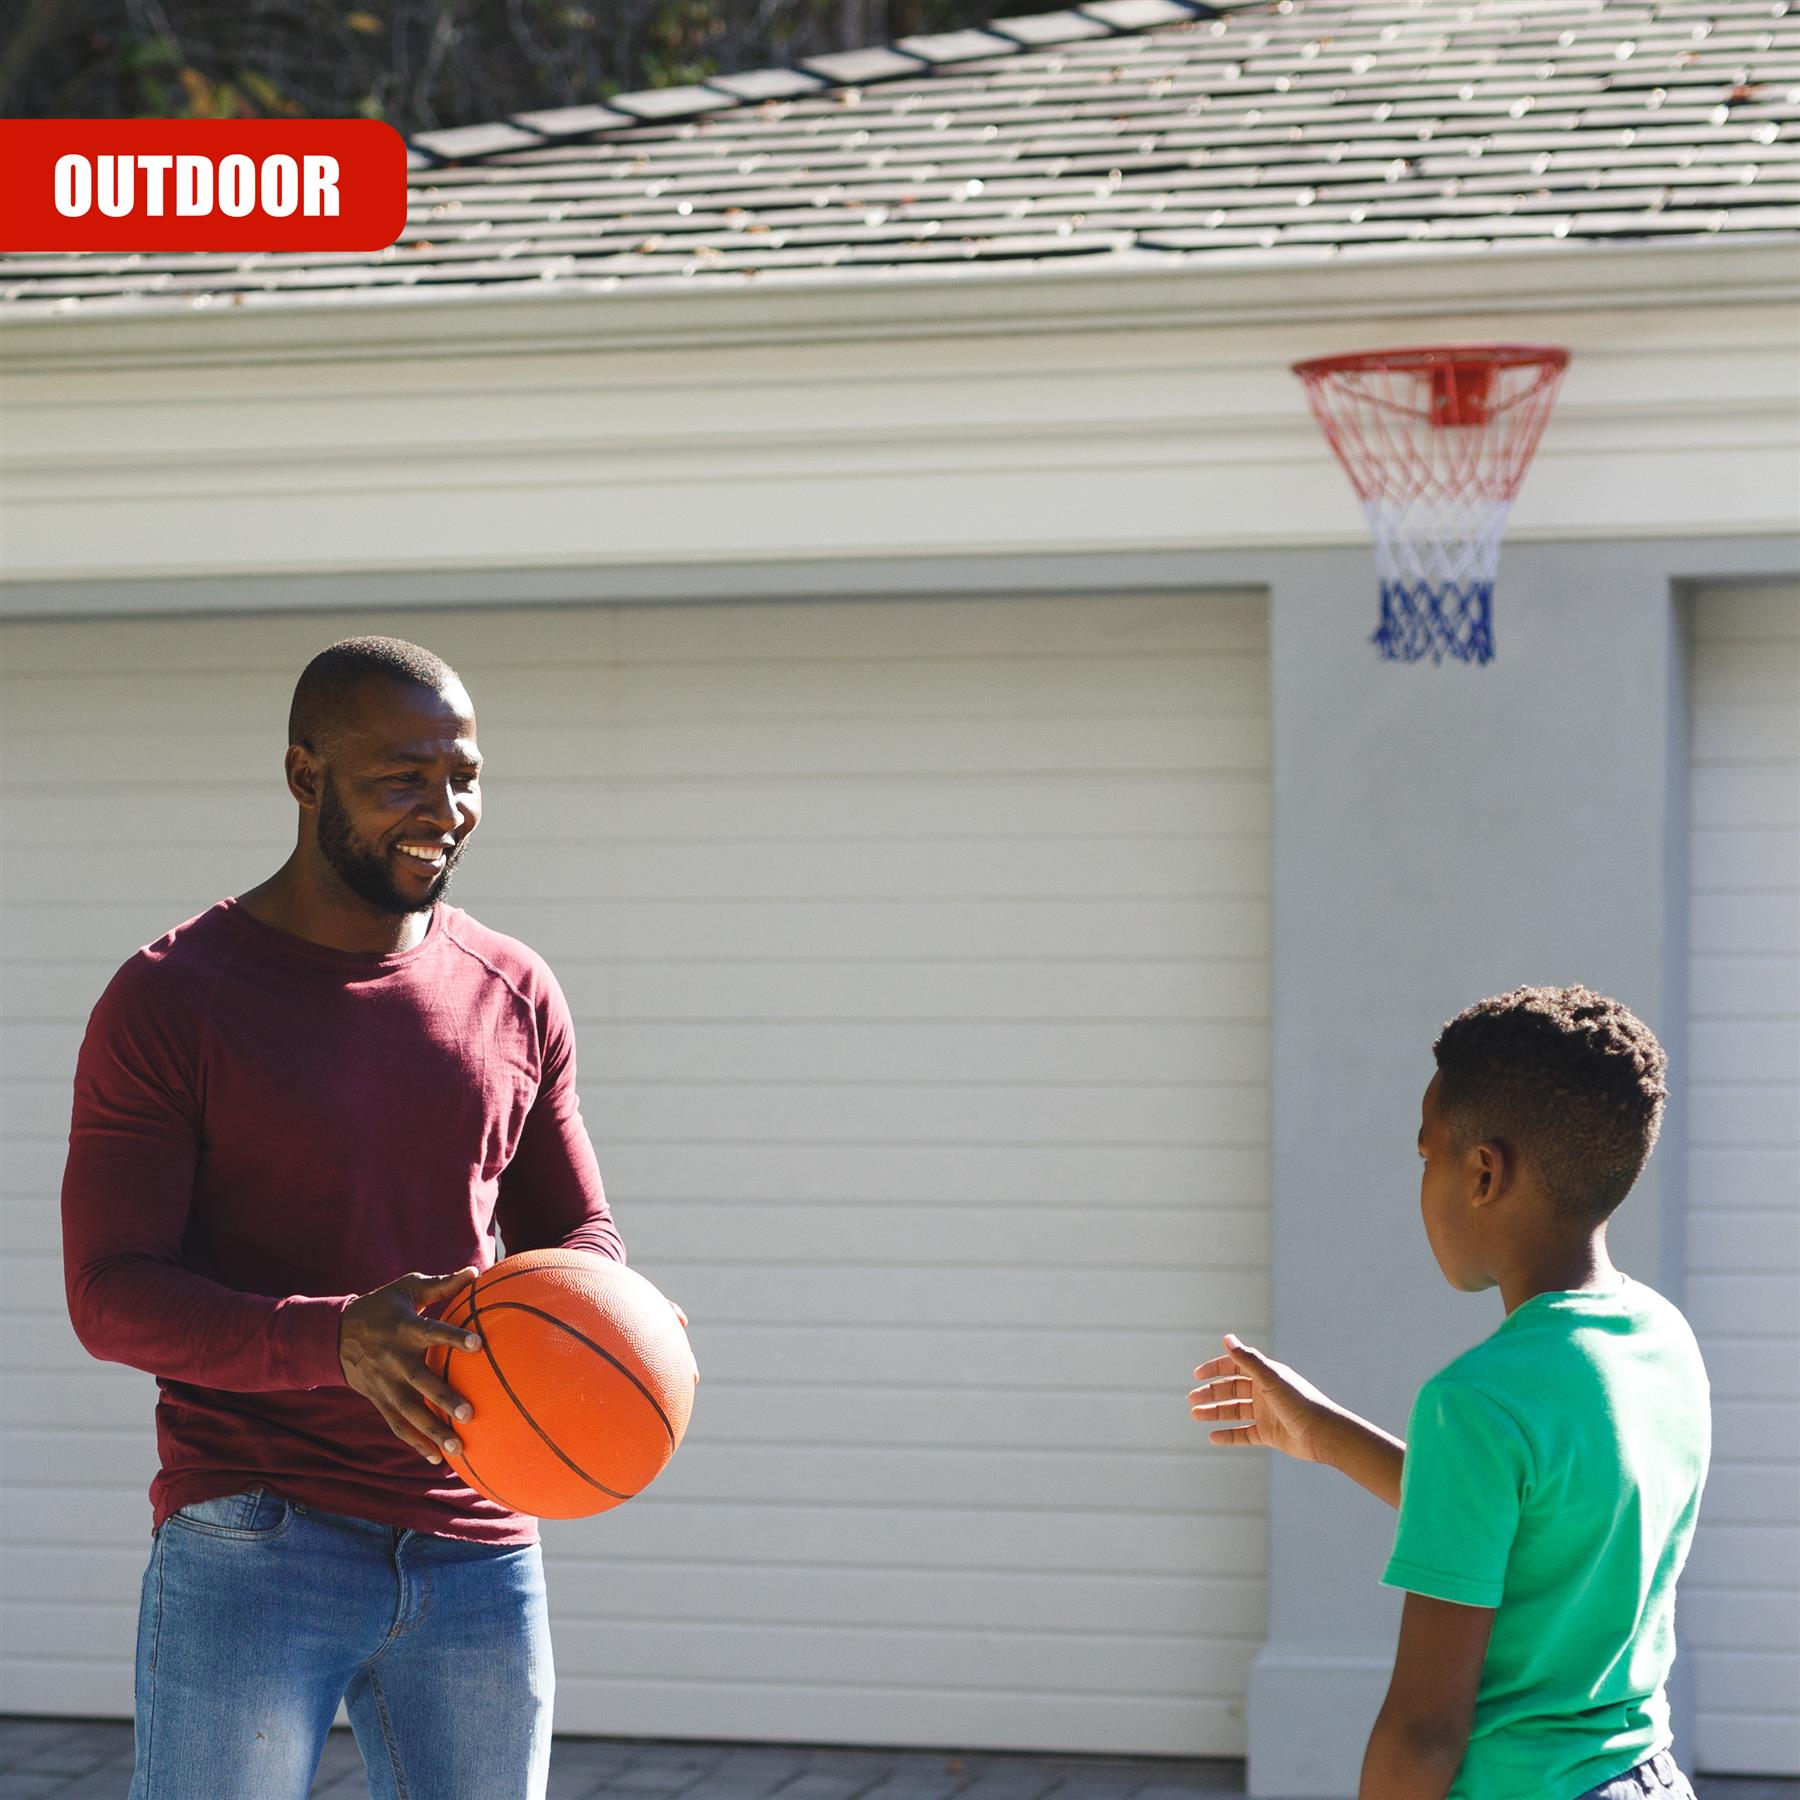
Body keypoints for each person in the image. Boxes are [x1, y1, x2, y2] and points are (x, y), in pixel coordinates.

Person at [60, 636, 639, 1800]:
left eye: (464, 775)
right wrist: (340, 1339)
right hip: (255, 1534)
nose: (446, 810)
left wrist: (619, 1321)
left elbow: (577, 1239)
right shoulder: (173, 999)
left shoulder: (514, 991)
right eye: (402, 781)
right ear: (303, 774)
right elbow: (110, 1294)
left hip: (480, 1536)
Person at [1191, 985, 1710, 1800]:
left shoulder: (1474, 1401)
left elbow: (1423, 1731)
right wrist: (1324, 1433)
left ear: (1483, 1172)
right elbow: (1538, 1533)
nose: (1421, 1177)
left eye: (1425, 1151)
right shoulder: (1662, 1340)